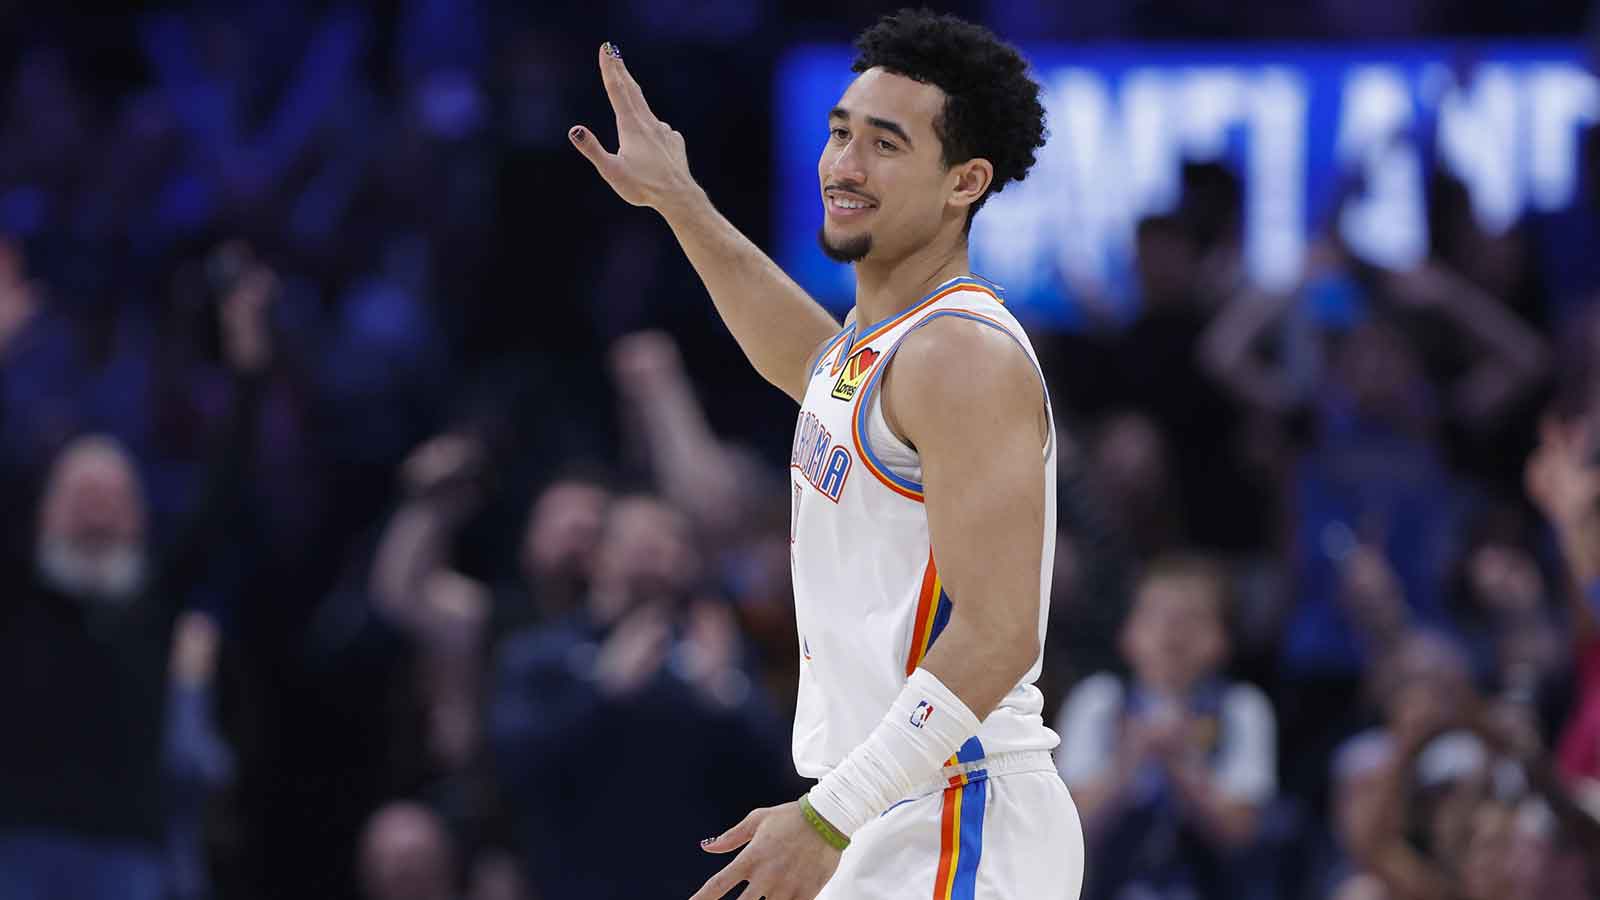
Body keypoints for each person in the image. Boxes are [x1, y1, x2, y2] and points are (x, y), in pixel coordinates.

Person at [568, 9, 1080, 898]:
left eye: (885, 144)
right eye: (841, 133)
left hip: (960, 815)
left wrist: (827, 815)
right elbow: (810, 369)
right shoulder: (879, 343)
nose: (844, 166)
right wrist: (681, 203)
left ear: (966, 181)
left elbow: (998, 633)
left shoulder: (962, 354)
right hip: (891, 805)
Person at [0, 255, 271, 900]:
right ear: (43, 516)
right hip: (12, 846)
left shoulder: (156, 599)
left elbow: (227, 490)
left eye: (110, 496)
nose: (95, 510)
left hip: (127, 856)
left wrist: (249, 365)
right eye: (80, 495)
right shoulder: (13, 598)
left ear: (140, 519)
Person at [1054, 555, 1278, 900]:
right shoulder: (1098, 701)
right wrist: (1131, 757)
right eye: (1157, 615)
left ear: (1222, 639)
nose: (1173, 632)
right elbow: (1068, 824)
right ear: (1128, 634)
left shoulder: (1243, 708)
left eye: (1193, 618)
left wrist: (1183, 761)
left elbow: (1240, 832)